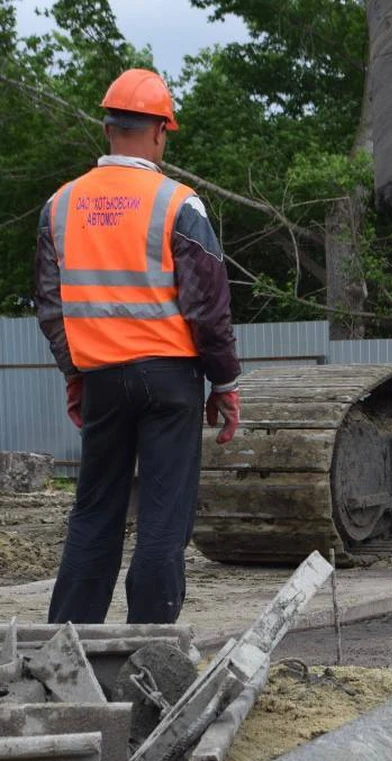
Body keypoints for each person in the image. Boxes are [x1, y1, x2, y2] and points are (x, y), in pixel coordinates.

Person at [35, 68, 242, 624]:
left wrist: (75, 374)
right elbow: (207, 305)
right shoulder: (178, 204)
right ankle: (149, 648)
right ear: (158, 133)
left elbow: (51, 307)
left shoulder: (60, 206)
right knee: (162, 517)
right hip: (170, 380)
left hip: (101, 377)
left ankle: (65, 650)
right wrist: (224, 382)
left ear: (108, 129)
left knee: (94, 511)